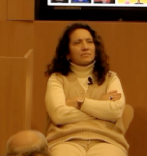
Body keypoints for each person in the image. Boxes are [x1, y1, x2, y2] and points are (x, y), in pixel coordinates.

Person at [45, 24, 129, 156]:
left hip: (107, 140)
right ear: (67, 53)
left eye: (89, 41)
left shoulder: (110, 78)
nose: (85, 47)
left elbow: (115, 111)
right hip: (65, 140)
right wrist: (100, 104)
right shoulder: (57, 79)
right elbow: (59, 115)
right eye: (77, 42)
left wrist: (79, 102)